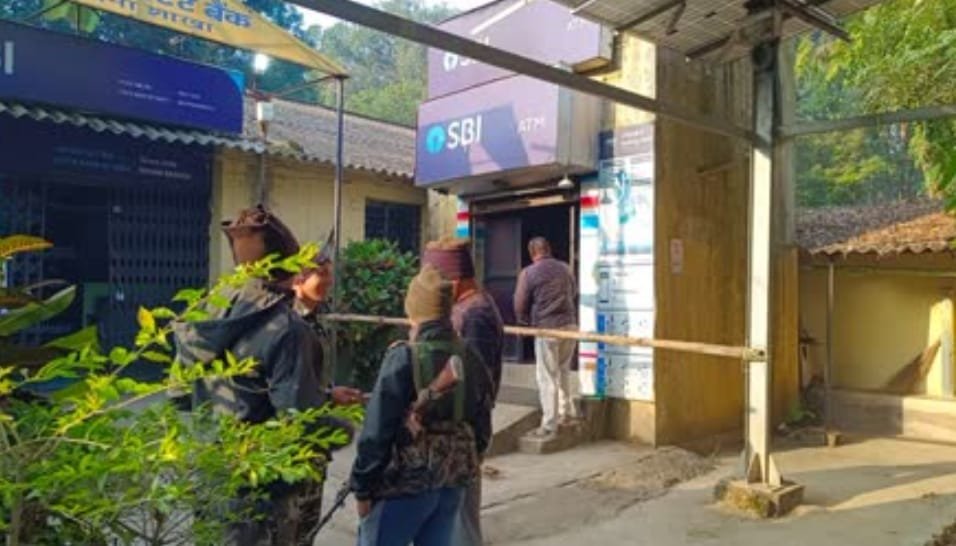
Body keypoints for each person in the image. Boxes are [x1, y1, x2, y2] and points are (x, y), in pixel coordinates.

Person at [172, 206, 356, 546]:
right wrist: (344, 430)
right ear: (290, 269)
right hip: (260, 490)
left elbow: (179, 395)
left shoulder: (206, 311)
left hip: (211, 474)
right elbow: (300, 421)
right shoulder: (286, 329)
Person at [350, 265, 494, 546]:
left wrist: (362, 486)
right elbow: (483, 424)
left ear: (413, 310)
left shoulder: (404, 357)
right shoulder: (470, 356)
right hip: (453, 482)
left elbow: (377, 430)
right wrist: (468, 462)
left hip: (405, 486)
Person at [422, 237, 504, 546]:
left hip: (464, 431)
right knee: (450, 516)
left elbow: (474, 382)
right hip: (456, 432)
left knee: (461, 519)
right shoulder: (468, 307)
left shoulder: (474, 314)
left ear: (454, 282)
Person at [513, 236, 579, 438]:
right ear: (548, 249)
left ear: (532, 253)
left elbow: (519, 303)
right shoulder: (566, 268)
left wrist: (523, 320)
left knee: (547, 377)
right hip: (570, 325)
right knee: (564, 370)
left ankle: (550, 424)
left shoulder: (529, 273)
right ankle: (567, 413)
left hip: (546, 329)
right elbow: (573, 292)